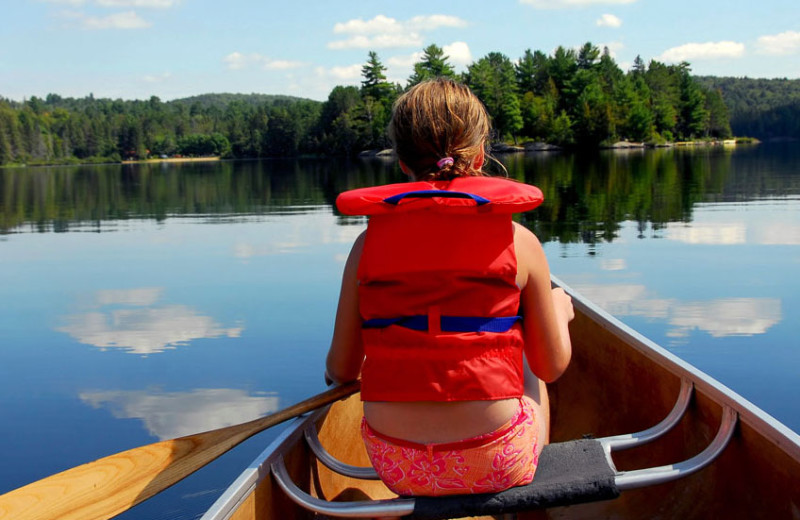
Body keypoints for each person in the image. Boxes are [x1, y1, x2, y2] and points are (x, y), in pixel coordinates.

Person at [326, 78, 573, 498]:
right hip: (497, 459)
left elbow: (342, 370)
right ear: (480, 155)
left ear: (402, 162)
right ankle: (524, 502)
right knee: (531, 357)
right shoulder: (519, 242)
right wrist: (559, 314)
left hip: (396, 465)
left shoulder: (366, 246)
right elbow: (552, 367)